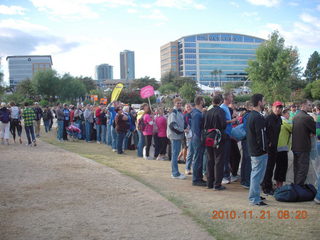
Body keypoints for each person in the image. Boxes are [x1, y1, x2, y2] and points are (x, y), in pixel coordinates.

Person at [246, 94, 268, 206]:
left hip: (254, 150)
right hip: (258, 151)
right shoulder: (257, 117)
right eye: (263, 101)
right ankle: (254, 198)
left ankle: (255, 195)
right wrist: (264, 149)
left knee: (256, 174)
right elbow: (262, 136)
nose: (264, 103)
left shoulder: (251, 115)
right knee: (256, 175)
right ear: (259, 102)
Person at [204, 94, 226, 190]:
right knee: (218, 160)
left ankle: (209, 183)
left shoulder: (208, 112)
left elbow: (205, 125)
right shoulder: (221, 111)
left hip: (209, 136)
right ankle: (217, 184)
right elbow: (223, 124)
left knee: (210, 160)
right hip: (218, 137)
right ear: (220, 101)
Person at [292, 100, 316, 186]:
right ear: (303, 105)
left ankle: (296, 186)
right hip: (303, 147)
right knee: (303, 169)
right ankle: (298, 188)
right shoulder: (307, 117)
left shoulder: (295, 116)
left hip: (295, 146)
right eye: (309, 105)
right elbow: (316, 130)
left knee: (297, 168)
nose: (311, 107)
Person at [261, 101, 283, 195]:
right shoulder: (268, 118)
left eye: (280, 107)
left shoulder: (279, 119)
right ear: (273, 108)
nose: (278, 109)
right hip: (269, 147)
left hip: (275, 146)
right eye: (277, 107)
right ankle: (266, 188)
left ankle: (268, 185)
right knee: (268, 168)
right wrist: (267, 143)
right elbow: (263, 132)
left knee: (271, 167)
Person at [167, 97, 186, 180]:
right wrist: (183, 130)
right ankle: (175, 173)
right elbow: (172, 126)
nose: (179, 104)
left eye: (180, 103)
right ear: (174, 104)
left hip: (178, 136)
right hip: (175, 136)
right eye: (177, 103)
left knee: (175, 154)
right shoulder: (173, 113)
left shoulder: (179, 112)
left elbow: (181, 123)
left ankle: (176, 172)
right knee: (175, 155)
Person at [220, 92, 237, 184]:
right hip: (225, 135)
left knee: (227, 155)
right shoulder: (223, 108)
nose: (232, 98)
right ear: (226, 98)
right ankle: (224, 175)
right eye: (231, 97)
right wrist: (232, 120)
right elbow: (223, 121)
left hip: (228, 134)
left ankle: (226, 174)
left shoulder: (226, 108)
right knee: (225, 156)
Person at [191, 96, 206, 187]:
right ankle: (196, 179)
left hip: (197, 138)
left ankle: (199, 178)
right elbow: (197, 129)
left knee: (199, 158)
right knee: (198, 159)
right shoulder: (197, 114)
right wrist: (201, 138)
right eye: (203, 100)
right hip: (198, 138)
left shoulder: (197, 113)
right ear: (200, 102)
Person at [274, 108, 292, 188]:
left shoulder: (278, 121)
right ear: (284, 114)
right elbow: (292, 128)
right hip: (282, 148)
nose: (289, 115)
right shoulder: (285, 122)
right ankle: (280, 186)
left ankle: (277, 184)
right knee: (283, 167)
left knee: (278, 167)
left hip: (277, 147)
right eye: (288, 113)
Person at [240, 101, 252, 189]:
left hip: (245, 139)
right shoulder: (249, 116)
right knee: (248, 160)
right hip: (248, 140)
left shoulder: (245, 115)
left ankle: (243, 179)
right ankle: (247, 181)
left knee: (245, 160)